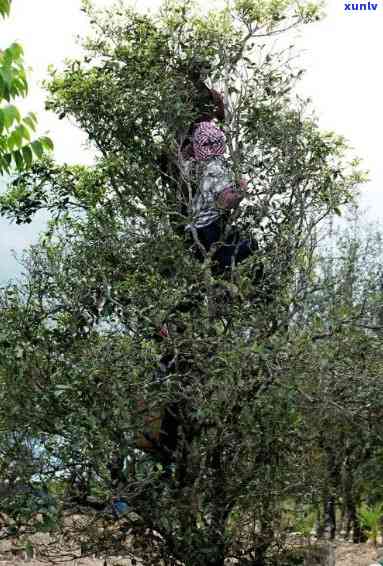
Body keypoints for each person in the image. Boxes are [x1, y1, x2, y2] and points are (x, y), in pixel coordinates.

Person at [186, 121, 255, 276]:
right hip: (207, 229)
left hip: (197, 229)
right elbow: (224, 202)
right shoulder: (214, 167)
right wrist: (242, 191)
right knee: (248, 246)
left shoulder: (198, 164)